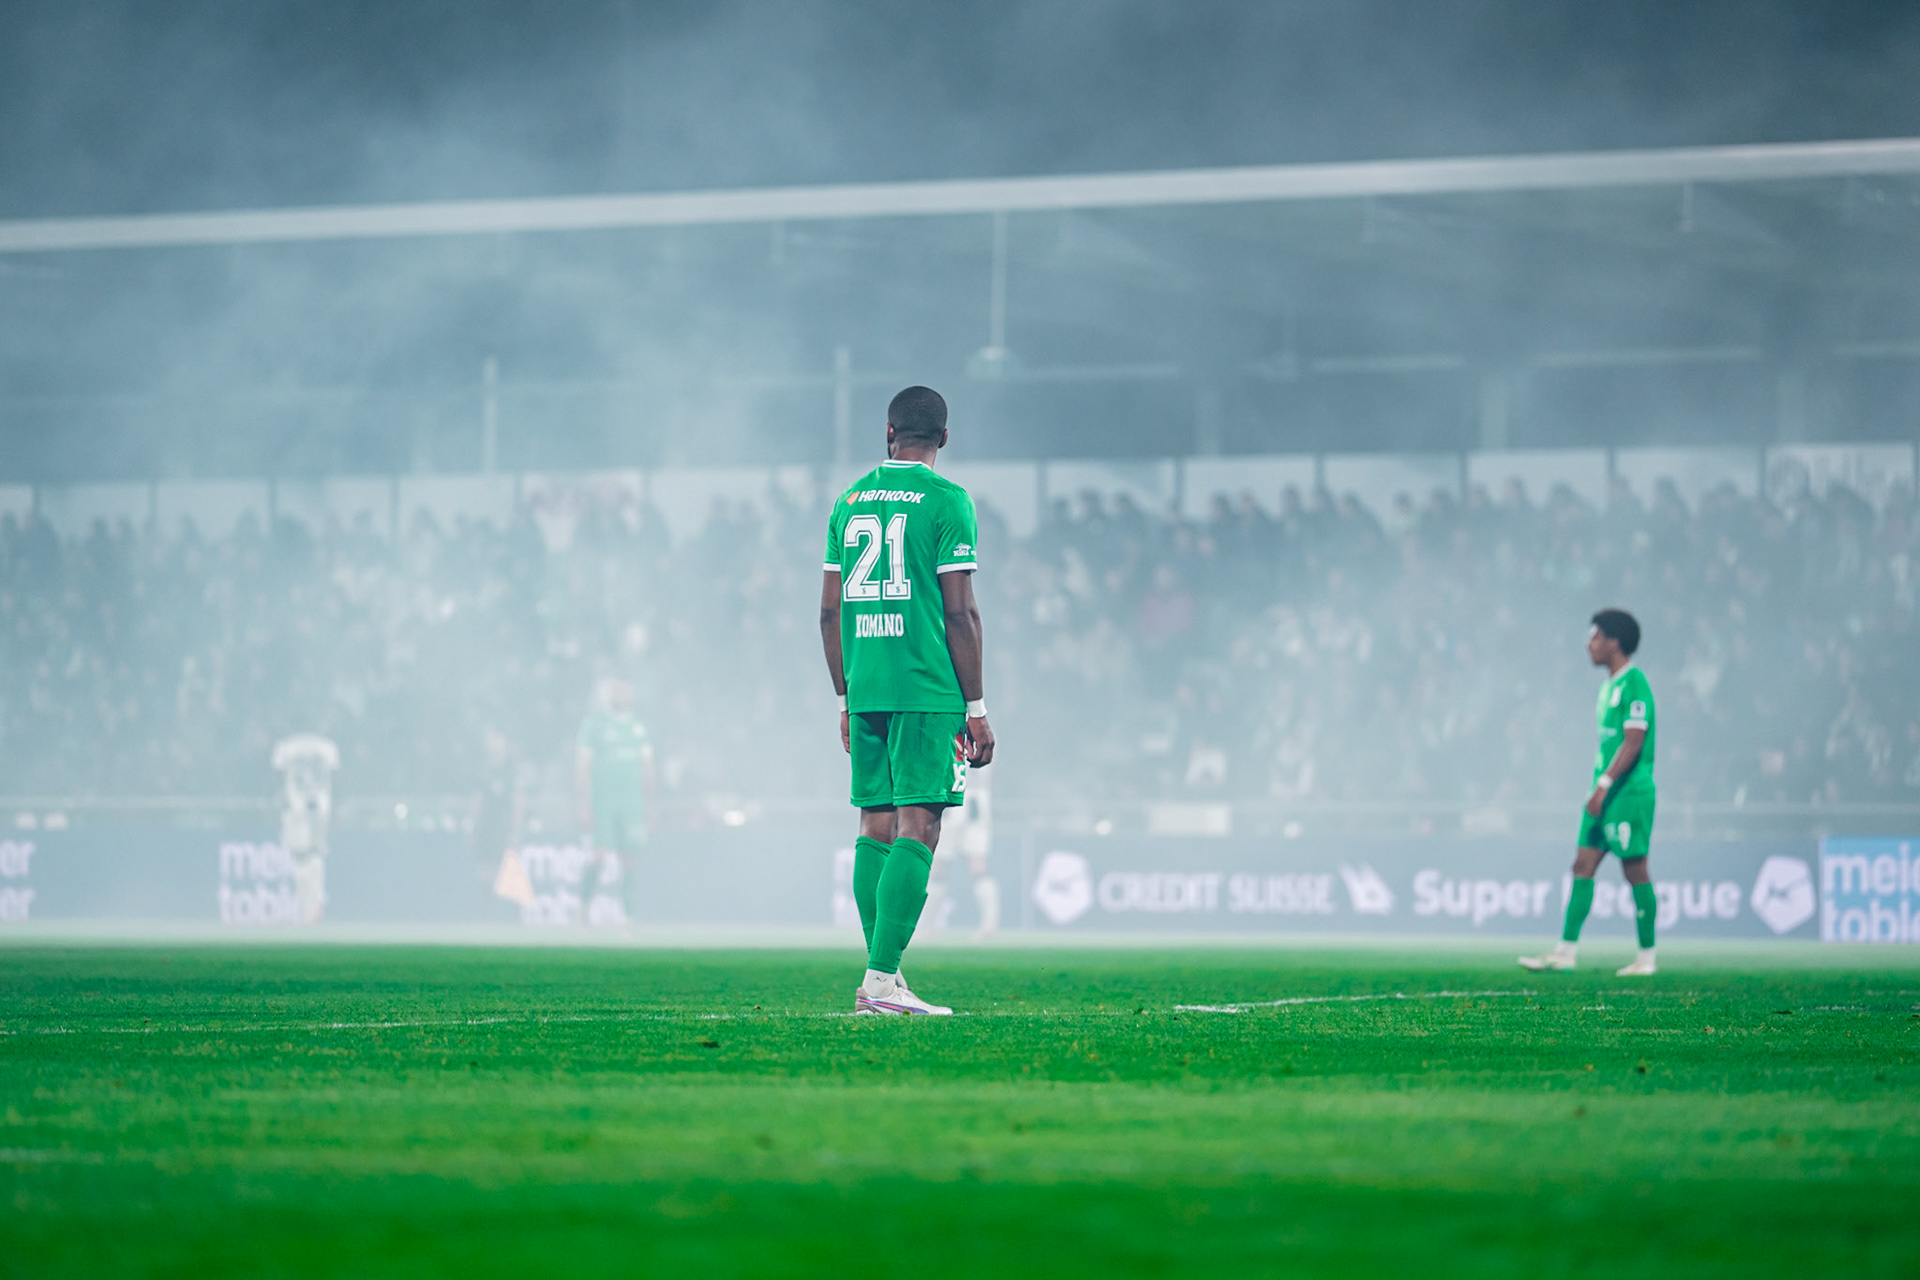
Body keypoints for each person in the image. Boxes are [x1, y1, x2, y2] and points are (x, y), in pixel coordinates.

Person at [819, 385, 996, 1015]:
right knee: (920, 824)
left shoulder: (848, 501)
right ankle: (881, 979)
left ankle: (880, 978)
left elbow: (828, 611)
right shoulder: (948, 501)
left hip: (866, 684)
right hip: (926, 688)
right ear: (943, 439)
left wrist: (845, 695)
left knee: (874, 824)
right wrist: (975, 708)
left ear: (887, 432)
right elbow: (960, 611)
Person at [1520, 609, 1659, 976]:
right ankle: (1565, 952)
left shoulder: (1634, 684)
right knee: (1582, 865)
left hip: (1627, 793)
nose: (1589, 644)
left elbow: (1632, 743)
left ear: (1613, 641)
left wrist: (1604, 785)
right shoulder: (1606, 687)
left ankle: (1646, 958)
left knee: (1635, 869)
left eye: (1595, 636)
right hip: (1602, 791)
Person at [576, 678, 655, 926]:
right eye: (617, 691)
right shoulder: (595, 725)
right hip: (604, 804)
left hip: (631, 804)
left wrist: (652, 804)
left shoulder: (638, 728)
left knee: (629, 860)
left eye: (627, 691)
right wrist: (584, 804)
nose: (623, 695)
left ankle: (627, 916)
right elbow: (582, 767)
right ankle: (582, 907)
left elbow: (648, 768)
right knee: (599, 857)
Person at [924, 761, 1001, 937]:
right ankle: (990, 926)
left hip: (953, 799)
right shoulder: (988, 734)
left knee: (939, 867)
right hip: (978, 803)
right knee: (977, 867)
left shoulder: (948, 732)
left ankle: (929, 927)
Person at [473, 729, 531, 908]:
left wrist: (515, 828)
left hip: (503, 826)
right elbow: (477, 799)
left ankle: (511, 914)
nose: (494, 744)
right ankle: (486, 912)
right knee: (485, 871)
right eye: (491, 740)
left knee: (507, 870)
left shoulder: (512, 771)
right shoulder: (483, 770)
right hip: (485, 826)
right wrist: (473, 824)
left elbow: (518, 801)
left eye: (498, 739)